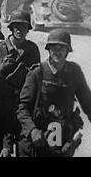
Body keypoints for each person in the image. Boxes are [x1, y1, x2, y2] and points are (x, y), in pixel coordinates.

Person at [17, 29, 91, 157]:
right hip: (38, 139)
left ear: (68, 50)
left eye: (61, 48)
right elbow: (22, 108)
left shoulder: (74, 72)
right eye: (53, 48)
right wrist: (32, 130)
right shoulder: (37, 73)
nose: (57, 52)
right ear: (48, 49)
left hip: (62, 138)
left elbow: (88, 103)